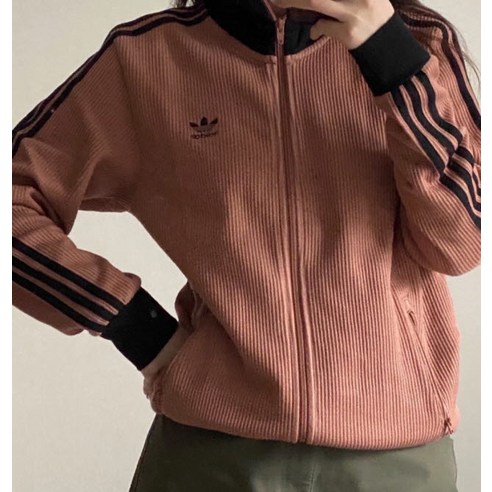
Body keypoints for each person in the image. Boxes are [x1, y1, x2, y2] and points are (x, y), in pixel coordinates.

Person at [12, 0, 480, 490]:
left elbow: (458, 246)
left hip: (397, 458)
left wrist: (392, 61)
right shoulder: (147, 58)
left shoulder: (416, 44)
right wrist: (137, 327)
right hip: (213, 455)